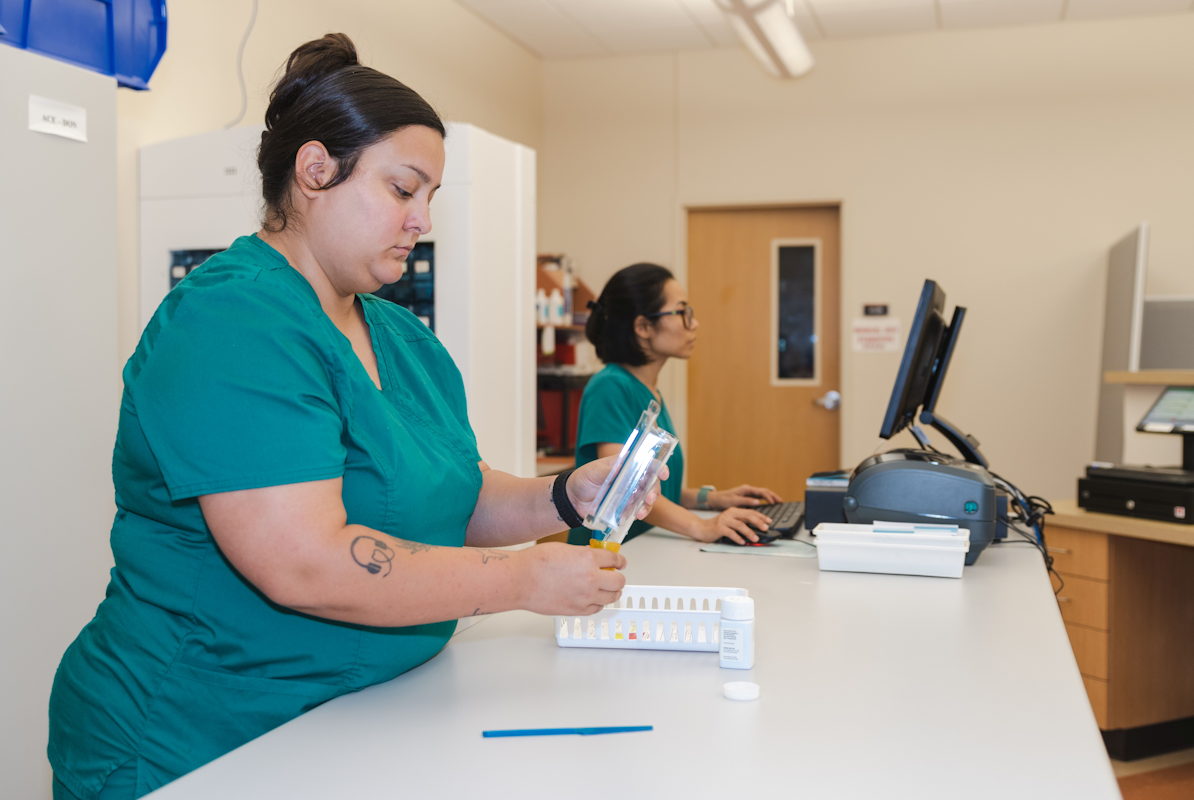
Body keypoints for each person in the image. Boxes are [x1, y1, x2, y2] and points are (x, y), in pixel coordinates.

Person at [47, 34, 661, 800]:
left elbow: (453, 496)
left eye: (431, 198)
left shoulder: (399, 336)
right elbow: (304, 561)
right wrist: (521, 580)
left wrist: (568, 495)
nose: (422, 220)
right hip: (196, 737)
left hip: (356, 723)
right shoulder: (232, 324)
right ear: (314, 172)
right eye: (404, 190)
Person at [567, 263, 782, 548]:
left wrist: (710, 499)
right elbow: (626, 489)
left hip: (646, 550)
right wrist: (702, 526)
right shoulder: (610, 387)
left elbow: (655, 490)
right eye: (681, 312)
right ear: (643, 326)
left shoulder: (647, 391)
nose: (693, 323)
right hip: (604, 560)